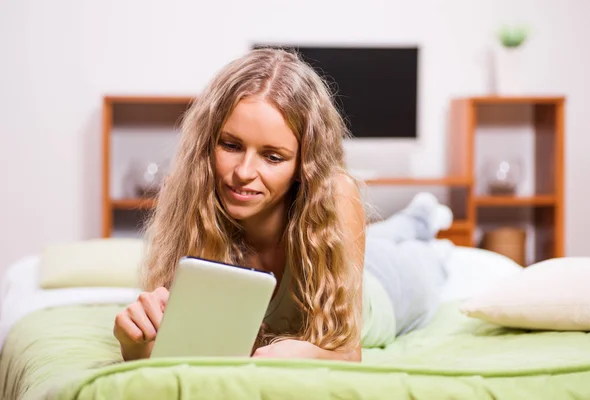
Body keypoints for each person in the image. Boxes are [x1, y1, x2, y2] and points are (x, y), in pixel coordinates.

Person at [113, 48, 452, 362]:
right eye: (231, 145)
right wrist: (134, 342)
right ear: (209, 143)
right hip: (357, 255)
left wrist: (306, 356)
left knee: (431, 258)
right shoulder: (193, 200)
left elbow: (349, 353)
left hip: (386, 289)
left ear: (303, 164)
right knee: (387, 235)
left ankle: (425, 220)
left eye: (273, 157)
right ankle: (417, 217)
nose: (244, 173)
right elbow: (174, 346)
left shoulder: (334, 194)